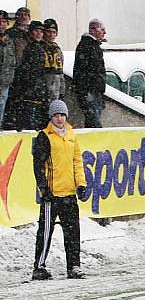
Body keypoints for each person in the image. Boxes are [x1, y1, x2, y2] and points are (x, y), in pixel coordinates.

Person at [32, 99, 87, 280]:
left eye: (62, 115)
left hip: (69, 193)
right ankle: (39, 266)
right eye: (56, 115)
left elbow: (77, 162)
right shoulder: (44, 136)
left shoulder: (71, 136)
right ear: (51, 117)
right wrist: (43, 187)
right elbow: (38, 164)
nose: (59, 119)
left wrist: (81, 184)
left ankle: (74, 266)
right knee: (46, 231)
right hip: (52, 194)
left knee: (73, 232)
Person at [12, 20, 47, 131]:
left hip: (37, 91)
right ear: (31, 32)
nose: (39, 34)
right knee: (30, 124)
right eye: (36, 31)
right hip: (29, 92)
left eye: (41, 31)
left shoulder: (39, 48)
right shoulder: (30, 48)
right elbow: (27, 71)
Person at [73, 19, 106, 128]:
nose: (104, 33)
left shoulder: (91, 46)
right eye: (102, 30)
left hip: (92, 91)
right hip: (90, 91)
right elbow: (85, 70)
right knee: (94, 121)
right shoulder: (88, 46)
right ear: (93, 30)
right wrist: (90, 88)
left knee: (92, 120)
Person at [2, 7, 31, 130]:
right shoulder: (10, 34)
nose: (24, 17)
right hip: (13, 74)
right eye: (21, 14)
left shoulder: (31, 33)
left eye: (26, 14)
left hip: (27, 74)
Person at [42, 18, 65, 102]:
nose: (51, 35)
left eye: (54, 32)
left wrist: (62, 89)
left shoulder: (57, 49)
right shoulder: (40, 48)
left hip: (56, 90)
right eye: (48, 32)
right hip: (44, 90)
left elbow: (60, 71)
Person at [0, 10, 16, 127]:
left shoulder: (9, 41)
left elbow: (11, 64)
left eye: (4, 22)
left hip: (5, 85)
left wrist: (6, 82)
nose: (2, 24)